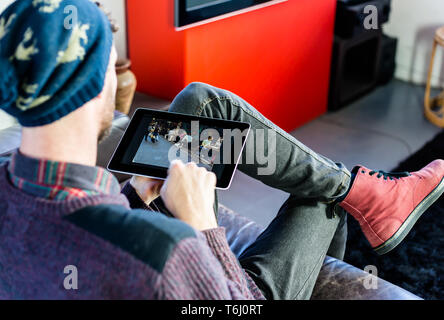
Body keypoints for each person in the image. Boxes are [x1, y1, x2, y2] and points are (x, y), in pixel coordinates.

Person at [0, 0, 443, 300]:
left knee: (201, 104)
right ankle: (363, 194)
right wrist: (203, 225)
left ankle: (364, 192)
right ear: (101, 85)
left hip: (136, 219)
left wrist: (134, 195)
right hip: (232, 287)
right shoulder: (162, 250)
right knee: (323, 198)